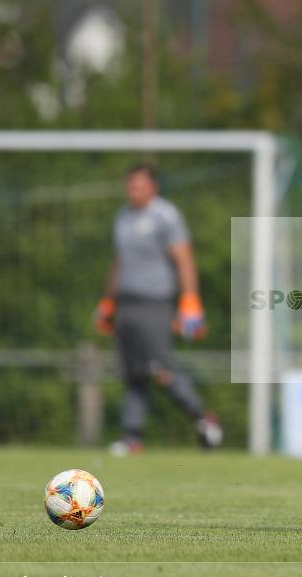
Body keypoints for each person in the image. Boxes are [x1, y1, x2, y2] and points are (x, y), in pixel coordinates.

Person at [94, 164, 222, 454]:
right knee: (132, 373)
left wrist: (190, 300)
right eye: (130, 185)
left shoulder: (165, 215)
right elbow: (119, 262)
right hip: (126, 304)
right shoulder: (122, 217)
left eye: (139, 185)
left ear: (153, 187)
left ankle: (202, 418)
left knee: (160, 369)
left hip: (155, 303)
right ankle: (131, 437)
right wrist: (108, 301)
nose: (133, 190)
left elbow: (184, 258)